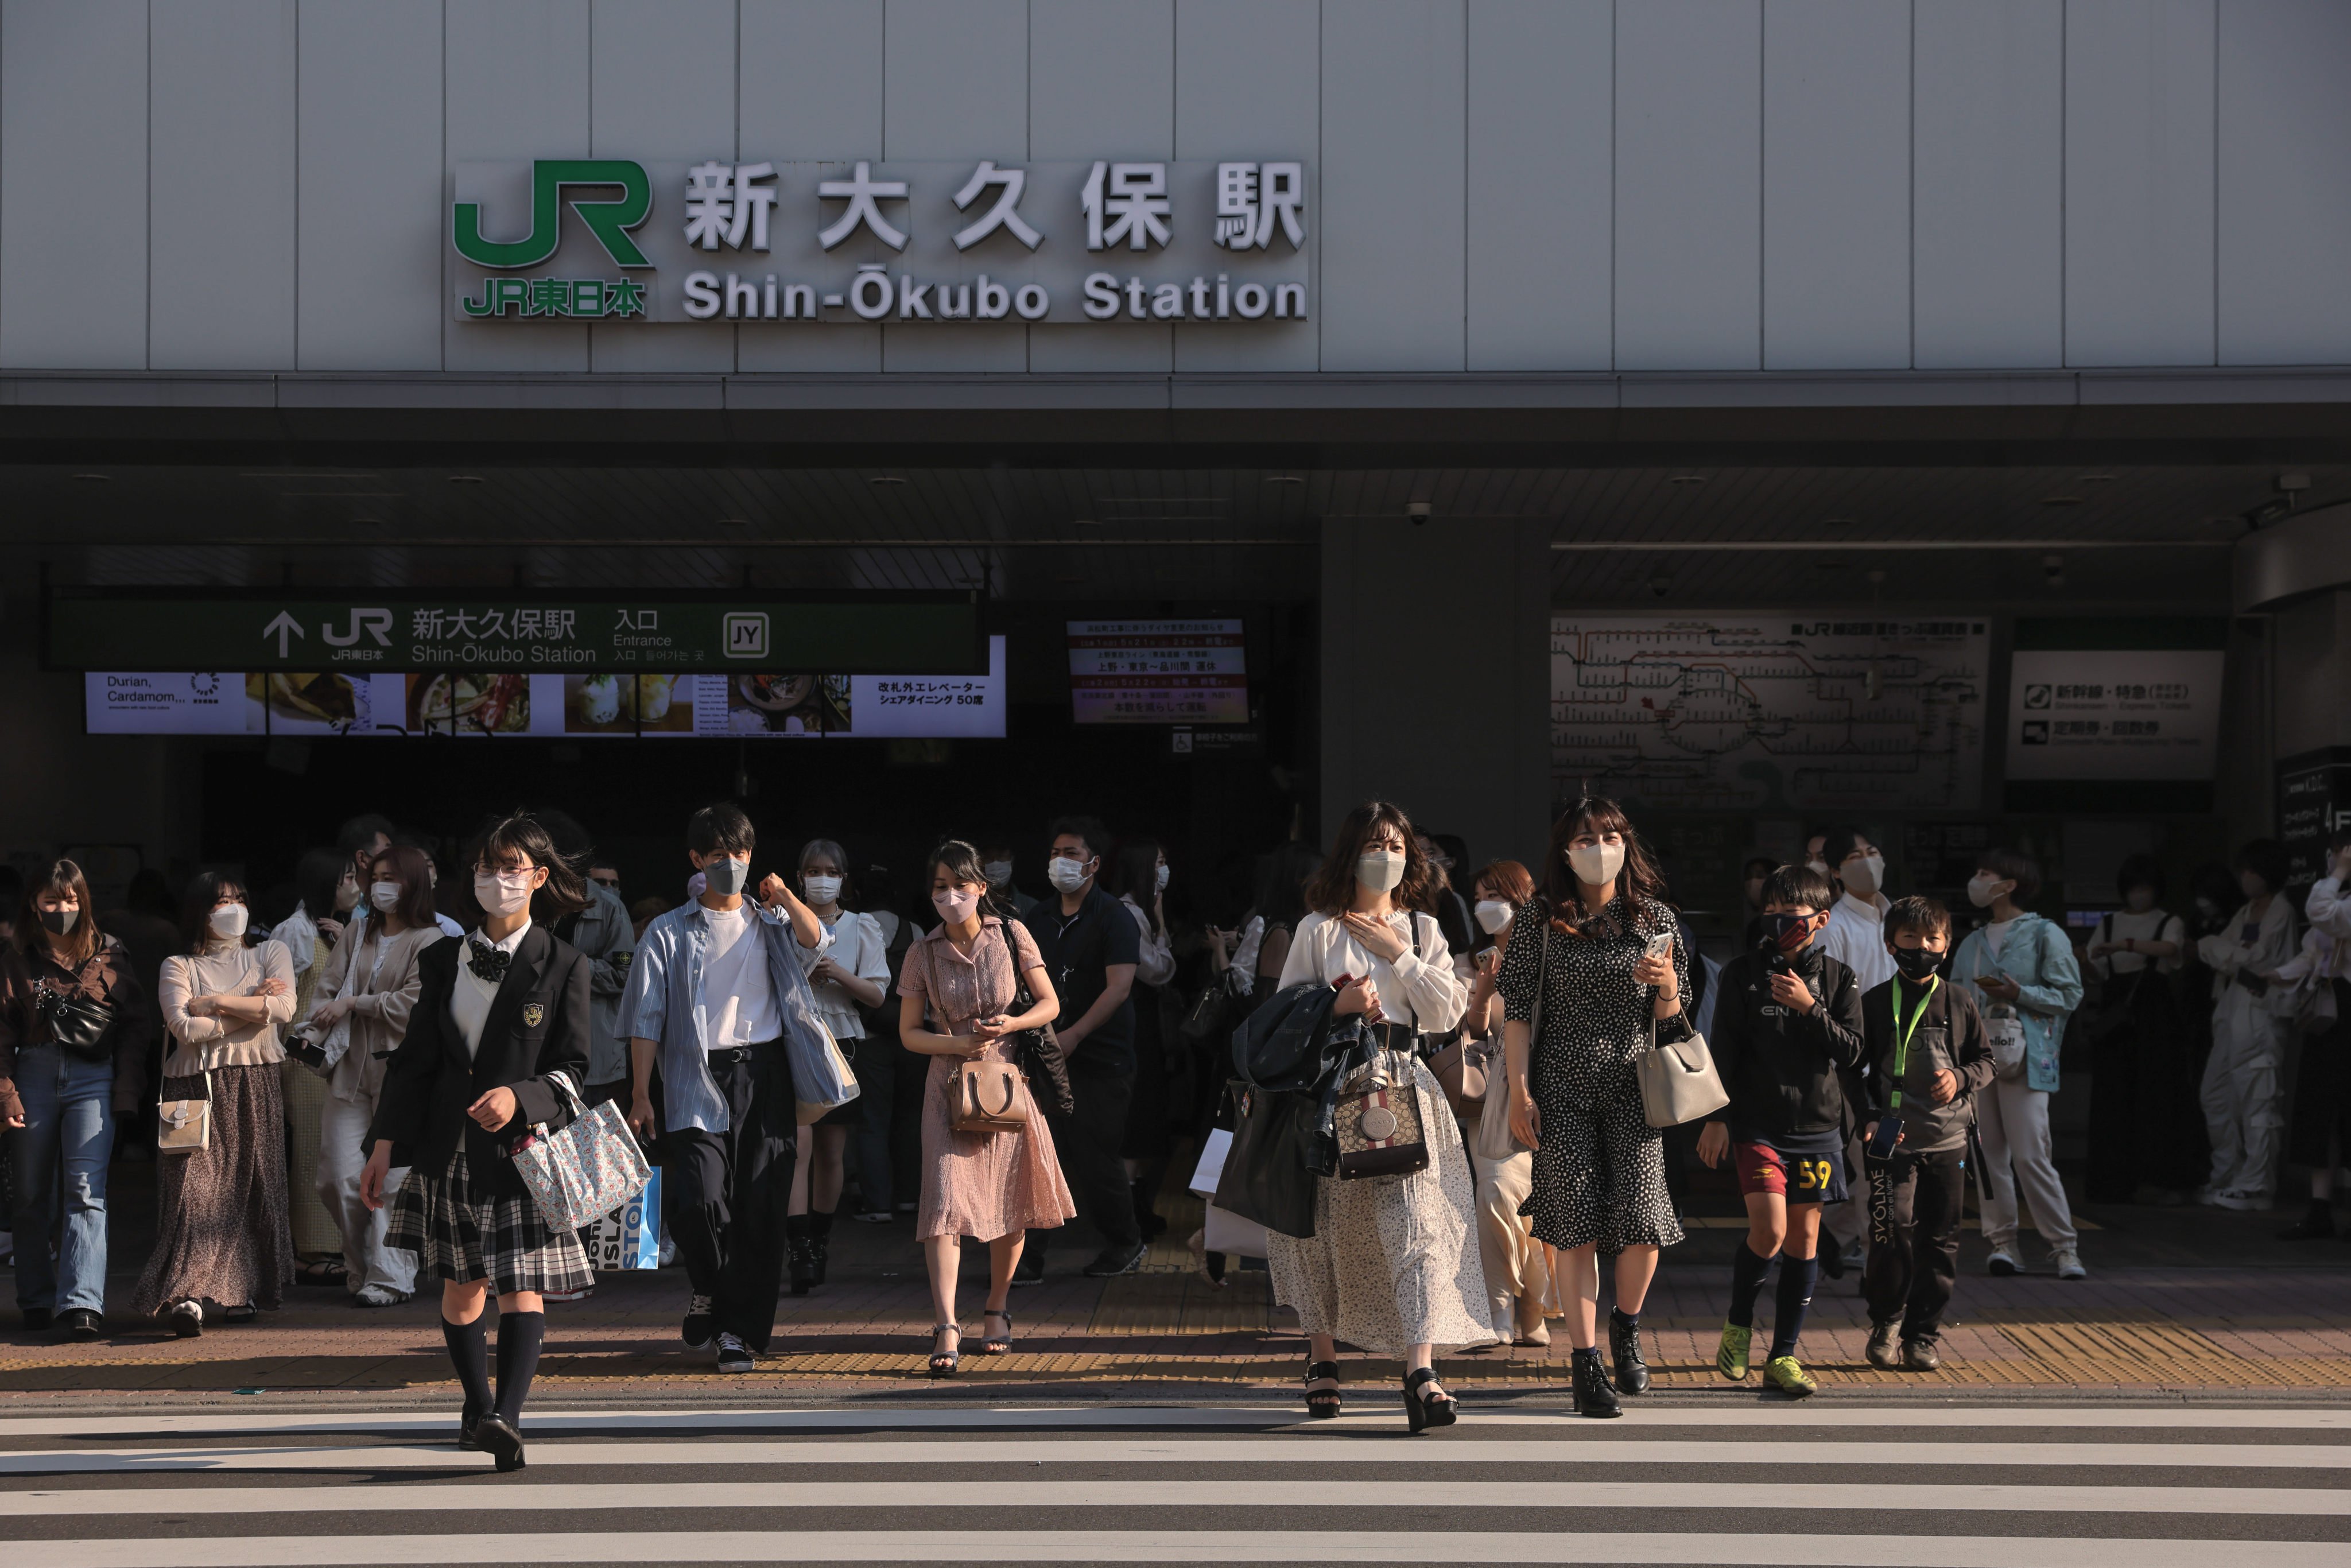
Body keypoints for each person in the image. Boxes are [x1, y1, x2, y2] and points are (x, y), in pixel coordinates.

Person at [360, 812, 593, 1472]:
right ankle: (477, 1401)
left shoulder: (564, 962)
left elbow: (575, 1067)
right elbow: (415, 1063)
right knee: (462, 1289)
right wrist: (383, 1145)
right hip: (445, 1147)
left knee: (523, 1286)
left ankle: (506, 1419)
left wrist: (521, 1096)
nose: (497, 879)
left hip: (521, 1152)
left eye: (511, 867)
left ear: (540, 877)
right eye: (487, 867)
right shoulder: (442, 957)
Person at [1271, 801, 1486, 1430]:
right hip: (1331, 1090)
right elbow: (1285, 1015)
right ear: (1350, 853)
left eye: (1395, 846)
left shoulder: (1422, 928)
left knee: (1417, 1224)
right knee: (1321, 1227)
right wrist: (1335, 1005)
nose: (1385, 856)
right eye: (1374, 844)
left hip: (1405, 1084)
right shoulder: (1318, 926)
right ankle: (1322, 1357)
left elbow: (1448, 1013)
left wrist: (1400, 953)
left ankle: (1419, 1370)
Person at [1500, 795, 1691, 1419]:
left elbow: (1671, 1016)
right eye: (1584, 838)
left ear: (1626, 844)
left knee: (1642, 1219)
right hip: (1560, 1084)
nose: (1598, 847)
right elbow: (1519, 1015)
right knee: (1575, 1224)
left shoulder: (1654, 916)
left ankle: (1626, 1326)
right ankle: (1585, 1363)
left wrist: (1660, 982)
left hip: (1634, 1084)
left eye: (1609, 835)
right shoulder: (1539, 919)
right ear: (1563, 851)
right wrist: (1518, 1092)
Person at [624, 804, 831, 1373]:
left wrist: (787, 897)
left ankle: (737, 1332)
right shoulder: (667, 932)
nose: (731, 864)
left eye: (739, 854)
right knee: (697, 1199)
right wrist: (642, 1093)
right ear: (696, 860)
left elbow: (819, 940)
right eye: (718, 856)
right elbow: (645, 1018)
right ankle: (710, 1287)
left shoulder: (771, 922)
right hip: (694, 1073)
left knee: (761, 1206)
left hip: (763, 1074)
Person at [898, 840, 1076, 1374]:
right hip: (946, 1087)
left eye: (960, 885)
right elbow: (908, 1034)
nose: (950, 896)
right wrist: (954, 1044)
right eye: (939, 887)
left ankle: (997, 1306)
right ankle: (947, 1324)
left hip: (1004, 1079)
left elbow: (1051, 1002)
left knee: (1009, 1198)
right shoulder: (921, 953)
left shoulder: (1013, 934)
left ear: (981, 888)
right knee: (945, 1202)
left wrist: (1014, 1024)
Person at [1696, 863, 1865, 1398]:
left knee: (1806, 1238)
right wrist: (1717, 1117)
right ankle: (1739, 1322)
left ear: (1820, 920)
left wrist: (1809, 1007)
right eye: (1768, 914)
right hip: (1758, 1125)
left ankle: (1785, 1355)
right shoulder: (1741, 974)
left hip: (1818, 1128)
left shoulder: (1839, 979)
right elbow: (1723, 1048)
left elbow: (1855, 1052)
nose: (1776, 923)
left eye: (1788, 915)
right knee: (1768, 1230)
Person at [131, 871, 297, 1336]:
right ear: (199, 913)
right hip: (194, 1088)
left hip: (255, 1084)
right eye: (221, 902)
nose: (233, 909)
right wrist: (248, 1011)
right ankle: (187, 1295)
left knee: (250, 1184)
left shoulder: (271, 952)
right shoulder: (177, 965)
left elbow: (283, 1012)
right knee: (193, 1193)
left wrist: (215, 1004)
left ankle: (242, 1290)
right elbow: (185, 1029)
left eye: (239, 899)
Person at [1, 860, 151, 1337]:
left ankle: (81, 1304)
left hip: (94, 1078)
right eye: (51, 900)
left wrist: (126, 1091)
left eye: (70, 900)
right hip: (33, 1072)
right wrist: (6, 1096)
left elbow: (135, 1028)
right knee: (29, 1196)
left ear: (83, 902)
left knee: (87, 1191)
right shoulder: (16, 957)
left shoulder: (110, 955)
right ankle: (36, 1299)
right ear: (33, 904)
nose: (62, 909)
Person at [300, 844, 445, 1307]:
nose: (382, 886)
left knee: (393, 1179)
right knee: (337, 1177)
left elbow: (413, 1005)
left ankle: (391, 1275)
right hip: (348, 1068)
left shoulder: (433, 940)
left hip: (402, 1074)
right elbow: (328, 987)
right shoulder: (357, 930)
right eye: (377, 876)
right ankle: (362, 1264)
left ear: (414, 884)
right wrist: (329, 1009)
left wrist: (355, 1004)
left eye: (393, 878)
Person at [1859, 895, 1993, 1371]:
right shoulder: (1874, 1003)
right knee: (1890, 1231)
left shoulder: (1960, 1000)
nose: (1923, 947)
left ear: (1947, 944)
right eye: (1911, 938)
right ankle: (1887, 1319)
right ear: (1891, 944)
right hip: (1889, 1134)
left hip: (1948, 1137)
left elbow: (1986, 1061)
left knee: (1941, 1238)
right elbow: (1854, 1070)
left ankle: (1922, 1336)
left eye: (1933, 938)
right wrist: (1869, 1117)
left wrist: (1960, 1078)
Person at [1015, 817, 1145, 1283]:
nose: (1060, 861)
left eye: (1071, 853)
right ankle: (1028, 1256)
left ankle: (1125, 1242)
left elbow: (1119, 989)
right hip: (1045, 1053)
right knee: (1038, 1151)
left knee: (1095, 1155)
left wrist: (1074, 1036)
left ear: (1094, 863)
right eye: (1055, 852)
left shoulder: (1114, 916)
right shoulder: (1037, 917)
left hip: (1101, 1056)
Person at [1952, 847, 2086, 1279]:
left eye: (1985, 873)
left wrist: (2019, 994)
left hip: (2029, 1056)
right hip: (1979, 1059)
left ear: (2008, 885)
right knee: (1987, 1153)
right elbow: (1953, 999)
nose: (1978, 879)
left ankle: (2064, 1246)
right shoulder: (1971, 941)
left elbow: (2069, 994)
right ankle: (2003, 1243)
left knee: (2031, 1154)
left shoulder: (2045, 934)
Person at [786, 839, 890, 1291]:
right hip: (794, 1036)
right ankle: (799, 1248)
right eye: (813, 870)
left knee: (831, 1151)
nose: (821, 878)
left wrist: (839, 974)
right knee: (798, 1148)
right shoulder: (780, 921)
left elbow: (878, 995)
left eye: (830, 871)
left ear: (844, 879)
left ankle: (820, 1238)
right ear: (800, 877)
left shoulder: (862, 927)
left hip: (843, 1042)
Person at [1459, 858, 1554, 1347]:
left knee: (1541, 1211)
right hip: (1494, 1096)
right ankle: (1498, 1306)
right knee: (1494, 1195)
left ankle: (1533, 1309)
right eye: (1478, 898)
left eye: (1494, 895)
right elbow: (1467, 1033)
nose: (1484, 907)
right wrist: (1482, 993)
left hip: (1554, 1088)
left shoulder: (1552, 953)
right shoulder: (1471, 961)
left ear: (1523, 898)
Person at [2193, 838, 2299, 1213]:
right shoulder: (2247, 911)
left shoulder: (2281, 912)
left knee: (2258, 1099)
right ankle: (2228, 1174)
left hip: (2260, 1012)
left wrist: (2221, 951)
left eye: (2251, 870)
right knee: (2216, 1094)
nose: (2245, 877)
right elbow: (2219, 951)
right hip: (2231, 1010)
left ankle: (2256, 1184)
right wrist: (2224, 953)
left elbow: (2252, 960)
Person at [2082, 855, 2192, 1204]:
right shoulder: (2110, 922)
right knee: (2113, 1095)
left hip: (2154, 1012)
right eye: (2134, 889)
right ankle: (2112, 1181)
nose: (2140, 896)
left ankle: (2157, 1179)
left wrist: (2125, 946)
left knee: (2156, 1092)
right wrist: (2085, 961)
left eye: (2146, 889)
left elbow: (2171, 950)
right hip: (2118, 1012)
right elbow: (2097, 970)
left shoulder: (2168, 921)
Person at [275, 849, 356, 1286]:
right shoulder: (294, 931)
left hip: (329, 1055)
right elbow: (280, 998)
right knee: (309, 1149)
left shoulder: (341, 930)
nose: (354, 888)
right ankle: (310, 1248)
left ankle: (334, 1243)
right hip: (302, 1056)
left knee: (328, 1149)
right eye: (347, 879)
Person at [534, 812, 637, 1113]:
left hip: (594, 1058)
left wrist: (569, 966)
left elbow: (625, 974)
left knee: (594, 1154)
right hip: (536, 1056)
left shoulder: (609, 908)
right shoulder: (528, 904)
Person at [2278, 829, 2351, 1239]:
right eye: (2335, 854)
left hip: (2347, 1013)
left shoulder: (2338, 900)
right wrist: (2276, 977)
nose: (2333, 861)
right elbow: (2312, 952)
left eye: (2339, 854)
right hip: (2329, 1016)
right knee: (2318, 1110)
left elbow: (2320, 911)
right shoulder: (2340, 899)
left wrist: (2338, 872)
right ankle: (2319, 1209)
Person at [1111, 837, 1178, 1245]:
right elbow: (1156, 970)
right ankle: (1129, 1216)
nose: (1164, 870)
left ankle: (1135, 1209)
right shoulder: (1129, 913)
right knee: (1136, 1117)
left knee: (1144, 1115)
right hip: (1134, 1026)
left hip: (1141, 1025)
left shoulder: (1136, 913)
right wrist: (1164, 924)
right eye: (1159, 863)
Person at [979, 839, 1038, 921]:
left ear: (1012, 862)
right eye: (988, 858)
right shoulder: (973, 906)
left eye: (1001, 857)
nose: (995, 863)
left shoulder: (1031, 907)